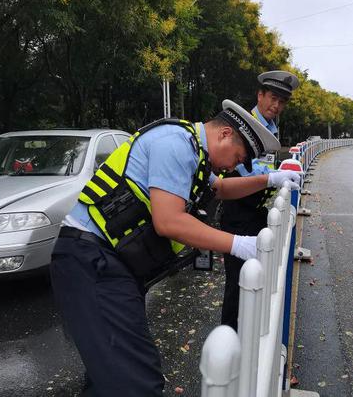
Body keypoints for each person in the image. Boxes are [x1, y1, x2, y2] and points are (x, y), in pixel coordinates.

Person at [50, 99, 301, 397]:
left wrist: (269, 179)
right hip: (92, 261)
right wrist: (239, 244)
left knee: (110, 375)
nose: (233, 167)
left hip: (110, 264)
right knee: (135, 382)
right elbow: (168, 222)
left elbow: (220, 188)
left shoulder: (193, 150)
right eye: (237, 157)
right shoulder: (175, 144)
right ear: (223, 134)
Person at [220, 70, 300, 331]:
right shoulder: (246, 125)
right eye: (273, 98)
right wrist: (275, 177)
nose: (276, 106)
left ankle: (253, 332)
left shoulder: (273, 128)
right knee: (236, 282)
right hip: (236, 209)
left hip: (256, 209)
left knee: (258, 274)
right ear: (260, 95)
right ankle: (230, 340)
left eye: (282, 102)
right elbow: (246, 170)